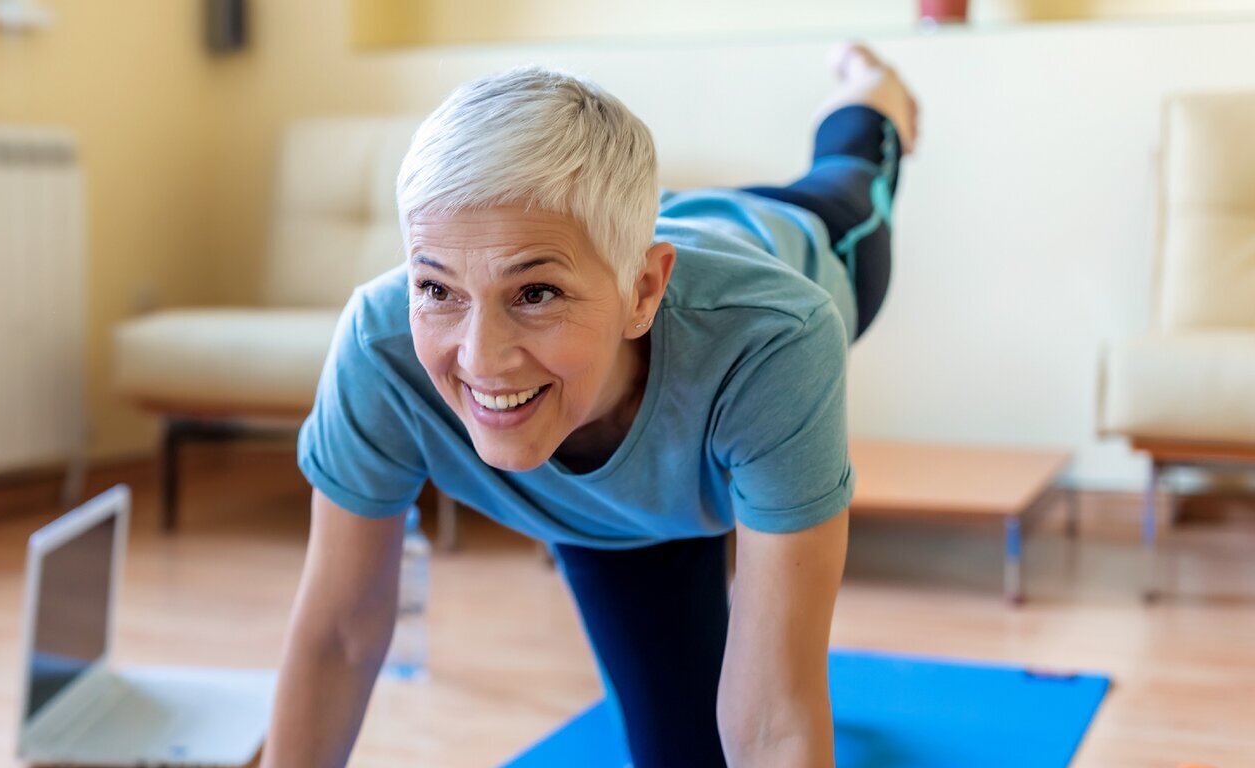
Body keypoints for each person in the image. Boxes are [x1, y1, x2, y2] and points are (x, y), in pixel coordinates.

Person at [263, 43, 918, 768]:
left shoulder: (777, 337)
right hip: (622, 485)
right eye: (438, 289)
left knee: (852, 169)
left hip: (789, 237)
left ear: (644, 291)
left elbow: (773, 719)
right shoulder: (380, 350)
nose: (481, 360)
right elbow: (339, 637)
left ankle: (871, 90)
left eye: (534, 294)